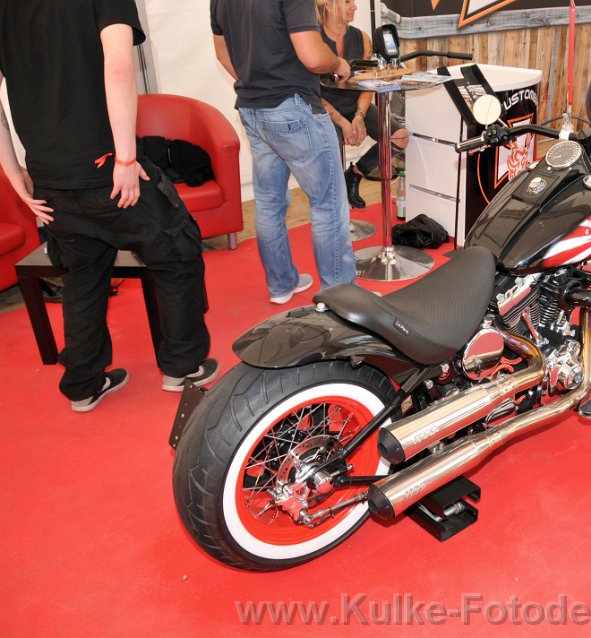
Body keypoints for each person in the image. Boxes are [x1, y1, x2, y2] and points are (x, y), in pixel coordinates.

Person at [0, 0, 217, 413]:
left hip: (50, 181)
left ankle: (83, 383)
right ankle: (183, 366)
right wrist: (125, 159)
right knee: (177, 252)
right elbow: (118, 68)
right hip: (108, 169)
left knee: (82, 276)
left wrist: (14, 174)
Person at [211, 0, 356, 304]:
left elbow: (222, 51)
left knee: (268, 202)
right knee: (328, 204)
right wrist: (338, 64)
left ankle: (281, 285)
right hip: (292, 107)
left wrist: (256, 83)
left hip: (253, 107)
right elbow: (313, 56)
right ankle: (341, 298)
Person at [317, 0, 409, 210]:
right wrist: (343, 123)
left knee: (400, 137)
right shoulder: (314, 40)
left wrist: (359, 116)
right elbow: (310, 92)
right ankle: (335, 209)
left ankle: (355, 174)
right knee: (332, 152)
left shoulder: (363, 38)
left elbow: (368, 84)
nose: (354, 6)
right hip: (324, 110)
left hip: (356, 105)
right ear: (328, 5)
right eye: (347, 1)